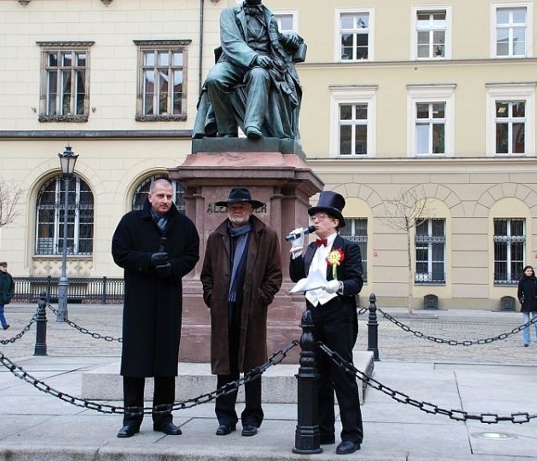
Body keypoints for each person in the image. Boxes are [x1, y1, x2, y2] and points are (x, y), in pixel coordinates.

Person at [111, 178, 199, 438]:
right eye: (160, 196)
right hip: (140, 300)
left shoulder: (183, 225)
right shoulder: (131, 222)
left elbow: (192, 255)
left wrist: (173, 268)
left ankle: (163, 417)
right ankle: (132, 418)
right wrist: (147, 260)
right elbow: (119, 253)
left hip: (169, 299)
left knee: (165, 362)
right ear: (149, 197)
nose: (165, 201)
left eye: (169, 196)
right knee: (135, 361)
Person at [200, 188, 282, 437]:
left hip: (252, 310)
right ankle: (225, 418)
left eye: (242, 206)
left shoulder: (266, 236)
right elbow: (207, 275)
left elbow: (275, 274)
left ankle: (252, 418)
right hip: (224, 310)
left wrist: (262, 297)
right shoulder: (217, 237)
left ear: (251, 209)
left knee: (252, 366)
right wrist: (212, 298)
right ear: (227, 209)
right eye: (233, 206)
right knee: (226, 366)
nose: (237, 210)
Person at [289, 191, 364, 455]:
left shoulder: (348, 247)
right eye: (315, 217)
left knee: (343, 377)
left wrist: (339, 285)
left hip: (338, 317)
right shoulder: (311, 248)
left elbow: (356, 281)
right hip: (314, 318)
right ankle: (324, 430)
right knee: (317, 376)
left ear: (335, 222)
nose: (316, 221)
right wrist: (296, 251)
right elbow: (297, 276)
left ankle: (352, 435)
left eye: (321, 217)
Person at [193, 0, 305, 141]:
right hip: (234, 61)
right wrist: (255, 58)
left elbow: (278, 42)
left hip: (263, 65)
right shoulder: (229, 14)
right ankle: (226, 130)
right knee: (214, 78)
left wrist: (291, 39)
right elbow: (231, 43)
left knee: (259, 74)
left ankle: (253, 125)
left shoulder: (270, 19)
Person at [517, 265, 537, 347]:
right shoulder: (522, 281)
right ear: (525, 272)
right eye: (528, 271)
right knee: (526, 324)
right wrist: (521, 299)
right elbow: (519, 293)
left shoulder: (536, 280)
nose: (529, 272)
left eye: (530, 271)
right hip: (526, 304)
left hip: (535, 304)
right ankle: (526, 341)